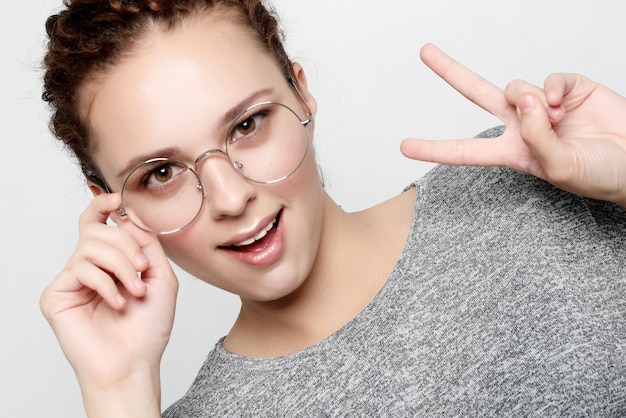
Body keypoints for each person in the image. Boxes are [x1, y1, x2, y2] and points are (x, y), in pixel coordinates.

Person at [39, 0, 626, 416]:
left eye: (248, 124)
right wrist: (118, 390)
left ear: (301, 92)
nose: (231, 196)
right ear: (117, 212)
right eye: (161, 174)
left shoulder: (529, 182)